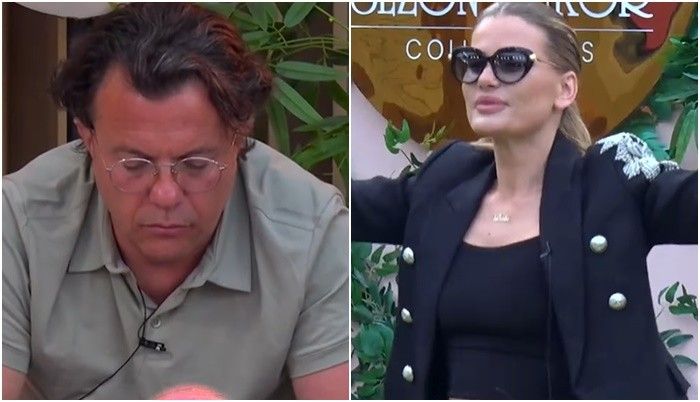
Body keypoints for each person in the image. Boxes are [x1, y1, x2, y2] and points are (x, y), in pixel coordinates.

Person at [352, 2, 697, 399]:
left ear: (565, 88)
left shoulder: (612, 184)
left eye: (511, 63)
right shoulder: (444, 181)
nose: (485, 78)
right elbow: (336, 210)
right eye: (472, 63)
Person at [3, 3, 348, 399]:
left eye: (196, 165)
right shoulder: (18, 220)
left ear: (240, 136)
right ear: (88, 137)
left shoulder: (311, 229)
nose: (165, 194)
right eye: (134, 165)